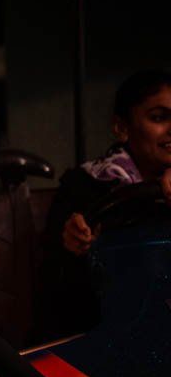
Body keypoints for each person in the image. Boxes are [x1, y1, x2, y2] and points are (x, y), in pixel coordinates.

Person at [38, 69, 171, 340]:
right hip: (105, 333)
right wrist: (73, 240)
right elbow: (59, 277)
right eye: (159, 118)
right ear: (121, 128)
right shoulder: (86, 185)